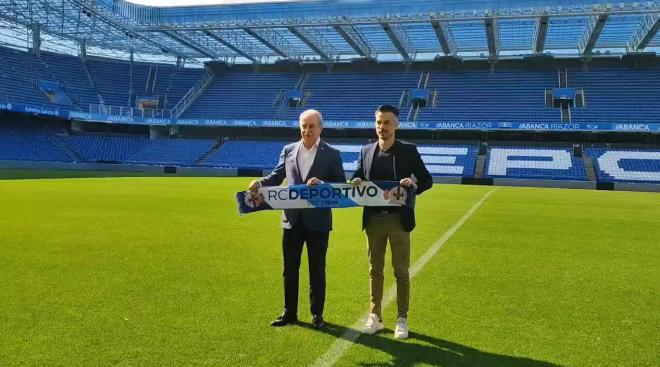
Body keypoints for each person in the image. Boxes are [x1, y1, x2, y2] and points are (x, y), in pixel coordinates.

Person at [248, 109, 345, 329]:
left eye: (312, 126)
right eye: (304, 125)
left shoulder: (331, 153)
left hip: (318, 221)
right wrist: (260, 183)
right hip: (291, 220)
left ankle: (317, 314)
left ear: (321, 128)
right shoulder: (288, 150)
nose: (307, 130)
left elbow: (340, 184)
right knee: (289, 269)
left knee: (317, 270)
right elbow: (276, 175)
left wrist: (322, 184)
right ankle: (289, 312)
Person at [351, 104, 433, 339]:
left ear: (396, 124)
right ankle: (375, 316)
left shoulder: (408, 151)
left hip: (399, 219)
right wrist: (356, 179)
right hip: (373, 220)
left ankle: (402, 319)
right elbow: (357, 174)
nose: (382, 127)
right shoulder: (366, 150)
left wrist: (413, 184)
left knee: (401, 272)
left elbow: (427, 180)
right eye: (378, 122)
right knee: (374, 270)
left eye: (387, 122)